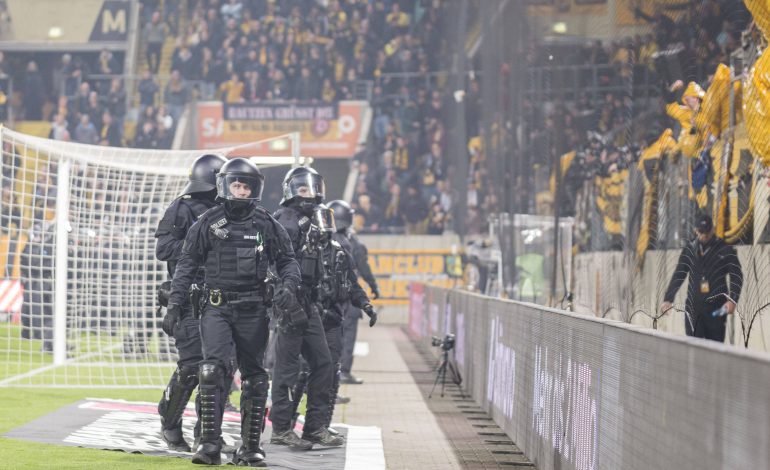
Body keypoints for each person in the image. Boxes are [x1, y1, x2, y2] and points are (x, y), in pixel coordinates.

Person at [168, 158, 301, 466]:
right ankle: (209, 445)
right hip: (216, 307)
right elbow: (186, 264)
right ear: (225, 185)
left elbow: (288, 261)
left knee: (255, 378)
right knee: (211, 371)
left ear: (255, 190)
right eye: (236, 185)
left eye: (246, 186)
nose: (241, 191)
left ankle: (251, 446)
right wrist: (175, 305)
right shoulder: (208, 221)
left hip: (254, 307)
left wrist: (289, 286)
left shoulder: (266, 223)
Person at [155, 154, 227, 452]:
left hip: (222, 299)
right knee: (192, 367)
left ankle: (206, 433)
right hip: (188, 298)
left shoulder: (231, 210)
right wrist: (198, 242)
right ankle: (169, 422)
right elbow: (163, 249)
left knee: (220, 369)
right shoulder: (182, 207)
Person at [270, 167, 343, 449]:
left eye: (312, 189)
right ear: (290, 191)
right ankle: (281, 429)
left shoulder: (314, 219)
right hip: (289, 300)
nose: (309, 194)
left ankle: (314, 427)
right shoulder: (286, 221)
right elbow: (274, 265)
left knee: (323, 363)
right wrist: (284, 300)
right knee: (287, 368)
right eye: (302, 189)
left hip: (309, 300)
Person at [309, 204, 376, 431]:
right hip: (325, 310)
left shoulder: (332, 243)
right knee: (319, 366)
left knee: (323, 367)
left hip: (325, 310)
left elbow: (349, 277)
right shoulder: (343, 243)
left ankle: (314, 426)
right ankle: (308, 425)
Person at [661, 214, 743, 342]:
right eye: (701, 232)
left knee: (715, 350)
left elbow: (736, 275)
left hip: (716, 309)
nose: (704, 236)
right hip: (694, 309)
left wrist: (733, 299)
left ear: (713, 229)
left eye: (707, 232)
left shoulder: (724, 249)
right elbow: (679, 273)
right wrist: (668, 298)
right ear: (695, 230)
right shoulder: (690, 249)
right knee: (693, 350)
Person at [328, 200, 379, 384]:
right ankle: (343, 372)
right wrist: (373, 286)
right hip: (348, 298)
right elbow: (361, 268)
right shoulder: (352, 242)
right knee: (347, 336)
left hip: (329, 299)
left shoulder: (324, 237)